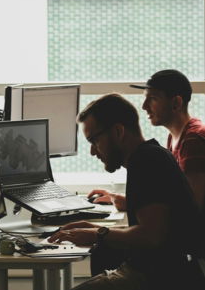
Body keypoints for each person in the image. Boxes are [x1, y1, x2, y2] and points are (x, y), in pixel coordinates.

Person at [48, 93, 202, 290]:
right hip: (155, 271)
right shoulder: (151, 155)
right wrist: (91, 228)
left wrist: (98, 233)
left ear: (118, 131)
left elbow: (151, 236)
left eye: (94, 140)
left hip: (158, 278)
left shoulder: (147, 162)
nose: (93, 152)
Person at [89, 70, 205, 212]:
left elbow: (193, 207)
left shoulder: (193, 140)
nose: (144, 106)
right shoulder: (175, 136)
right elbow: (175, 195)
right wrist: (127, 199)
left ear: (176, 102)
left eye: (153, 98)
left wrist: (132, 204)